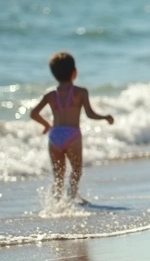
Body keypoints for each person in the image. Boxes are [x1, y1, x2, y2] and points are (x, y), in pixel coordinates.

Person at [28, 52, 115, 201]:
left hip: (55, 136)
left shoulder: (50, 95)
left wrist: (46, 125)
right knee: (76, 170)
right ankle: (71, 198)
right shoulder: (81, 92)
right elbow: (90, 114)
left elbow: (34, 114)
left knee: (58, 175)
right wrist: (105, 117)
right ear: (75, 72)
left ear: (54, 74)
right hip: (73, 135)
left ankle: (56, 202)